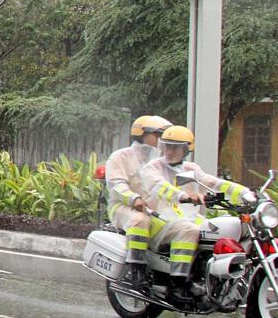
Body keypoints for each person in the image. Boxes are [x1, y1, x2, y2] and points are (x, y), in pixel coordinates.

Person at [141, 125, 254, 303]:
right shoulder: (153, 167)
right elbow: (159, 186)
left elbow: (213, 183)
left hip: (186, 219)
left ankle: (207, 277)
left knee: (216, 228)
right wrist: (183, 196)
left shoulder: (190, 169)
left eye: (175, 147)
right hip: (158, 220)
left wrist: (245, 193)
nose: (169, 151)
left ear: (186, 149)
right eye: (167, 146)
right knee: (189, 231)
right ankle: (176, 284)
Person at [104, 115, 171, 285]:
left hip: (154, 210)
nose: (161, 140)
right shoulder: (121, 156)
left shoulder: (162, 162)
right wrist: (134, 198)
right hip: (123, 207)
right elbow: (116, 184)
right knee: (139, 221)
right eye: (157, 135)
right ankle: (137, 268)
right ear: (142, 134)